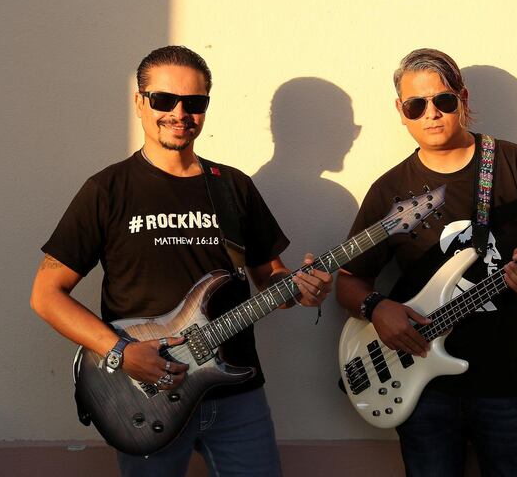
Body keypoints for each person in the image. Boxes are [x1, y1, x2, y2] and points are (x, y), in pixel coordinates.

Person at [30, 45, 332, 477]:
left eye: (194, 103)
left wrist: (301, 289)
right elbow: (46, 296)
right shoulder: (107, 189)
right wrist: (120, 352)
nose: (179, 112)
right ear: (139, 102)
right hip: (144, 393)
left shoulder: (232, 187)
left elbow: (271, 278)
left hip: (237, 395)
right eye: (163, 100)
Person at [336, 48, 517, 476]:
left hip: (507, 383)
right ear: (400, 111)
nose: (431, 113)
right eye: (416, 105)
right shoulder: (391, 189)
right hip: (422, 388)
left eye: (443, 100)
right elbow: (348, 281)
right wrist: (378, 308)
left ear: (462, 98)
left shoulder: (512, 163)